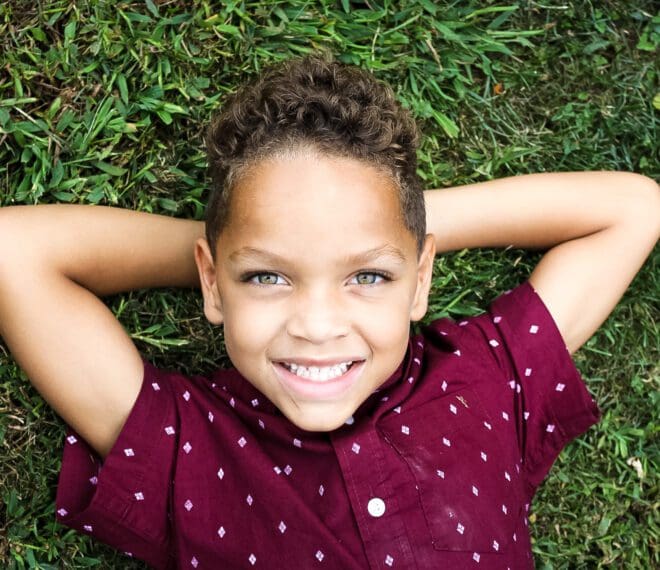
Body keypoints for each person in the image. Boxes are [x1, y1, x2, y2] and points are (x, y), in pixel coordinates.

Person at [0, 55, 657, 569]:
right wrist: (241, 248)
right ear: (212, 281)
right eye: (267, 277)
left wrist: (399, 226)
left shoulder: (481, 377)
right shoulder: (188, 449)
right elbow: (12, 253)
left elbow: (634, 211)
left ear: (420, 277)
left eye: (368, 275)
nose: (317, 325)